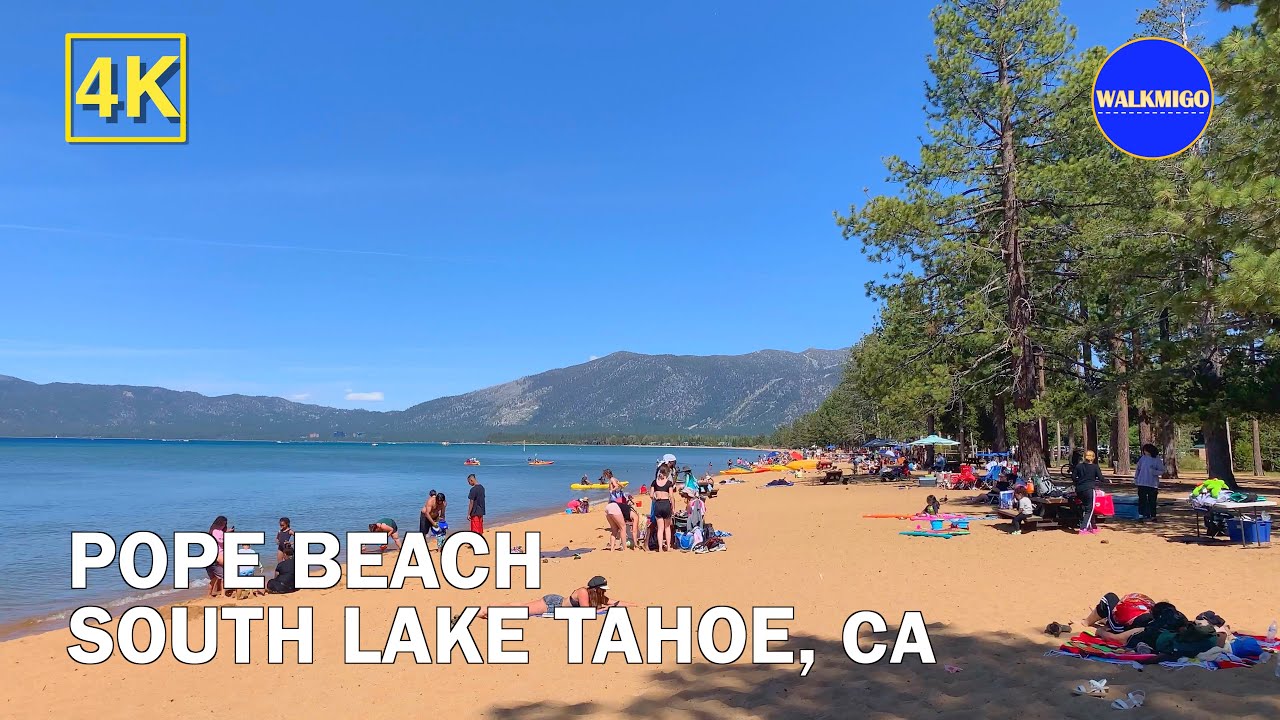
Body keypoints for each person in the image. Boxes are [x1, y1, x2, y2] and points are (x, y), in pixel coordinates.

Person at [477, 576, 635, 619]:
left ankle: (489, 608)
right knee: (522, 610)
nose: (604, 593)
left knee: (520, 606)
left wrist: (633, 605)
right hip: (552, 604)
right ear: (596, 588)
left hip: (557, 605)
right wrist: (607, 607)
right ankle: (484, 610)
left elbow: (615, 601)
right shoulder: (583, 592)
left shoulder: (596, 595)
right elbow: (587, 613)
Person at [1082, 592, 1155, 641]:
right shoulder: (1156, 626)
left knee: (1109, 598)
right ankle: (1106, 619)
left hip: (1122, 628)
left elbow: (1115, 638)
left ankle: (1086, 622)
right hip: (1136, 620)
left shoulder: (1143, 628)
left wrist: (1100, 631)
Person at [1072, 450, 1103, 535]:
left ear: (1084, 457)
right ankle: (1083, 528)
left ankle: (1094, 527)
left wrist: (1080, 481)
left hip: (1079, 490)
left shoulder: (1078, 466)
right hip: (1089, 490)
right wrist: (1108, 481)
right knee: (1089, 510)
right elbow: (1101, 478)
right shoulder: (1095, 467)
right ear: (1093, 457)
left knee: (1089, 508)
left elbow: (1073, 477)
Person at [1134, 444, 1165, 521]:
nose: (1144, 452)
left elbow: (1162, 471)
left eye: (1145, 450)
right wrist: (1136, 478)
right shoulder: (1142, 459)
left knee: (1152, 501)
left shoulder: (1157, 460)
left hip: (1152, 484)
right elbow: (1138, 469)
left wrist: (1154, 471)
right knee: (1142, 500)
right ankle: (1141, 515)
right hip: (1142, 482)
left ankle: (1153, 516)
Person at [649, 466, 676, 551]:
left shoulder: (654, 482)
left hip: (658, 504)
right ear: (667, 473)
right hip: (666, 504)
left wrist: (655, 499)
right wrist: (673, 507)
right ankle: (668, 547)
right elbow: (671, 496)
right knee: (667, 528)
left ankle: (660, 548)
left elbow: (651, 495)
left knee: (660, 528)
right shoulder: (669, 483)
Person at [207, 515, 228, 597]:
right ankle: (223, 594)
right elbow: (221, 540)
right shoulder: (217, 531)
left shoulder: (212, 530)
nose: (224, 526)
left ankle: (209, 594)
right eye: (224, 524)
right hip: (219, 555)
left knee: (214, 578)